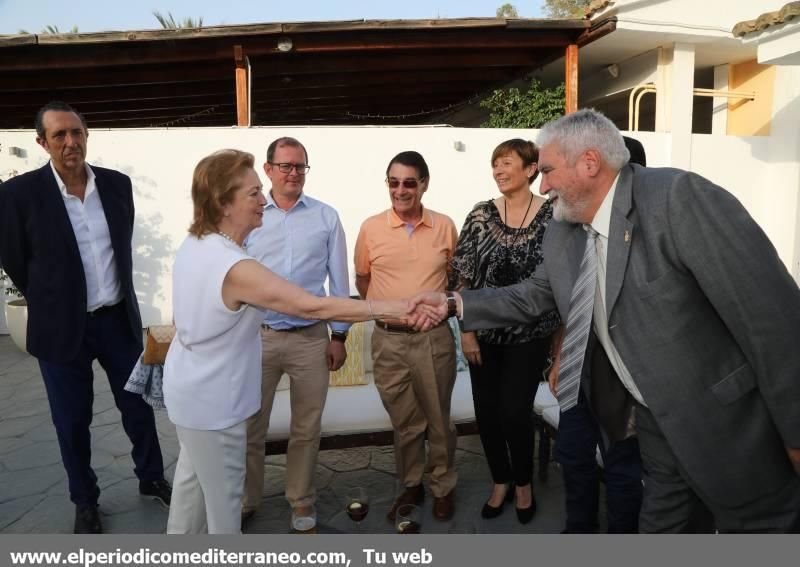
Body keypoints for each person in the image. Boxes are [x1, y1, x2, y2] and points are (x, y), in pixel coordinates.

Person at [412, 109, 800, 533]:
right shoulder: (564, 232)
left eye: (547, 171)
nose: (543, 186)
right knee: (663, 529)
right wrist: (452, 303)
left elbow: (773, 321)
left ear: (589, 163)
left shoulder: (677, 199)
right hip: (653, 425)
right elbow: (533, 295)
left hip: (728, 430)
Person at [163, 149, 409, 534]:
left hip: (191, 393)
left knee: (189, 491)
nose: (263, 199)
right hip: (214, 402)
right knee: (224, 510)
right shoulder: (233, 264)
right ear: (223, 203)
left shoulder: (196, 244)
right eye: (253, 193)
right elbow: (310, 305)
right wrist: (397, 306)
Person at [0, 101, 171, 534]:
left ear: (86, 135)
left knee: (137, 406)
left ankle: (151, 475)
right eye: (59, 135)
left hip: (117, 321)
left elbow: (121, 246)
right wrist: (52, 299)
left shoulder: (117, 186)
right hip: (61, 330)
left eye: (76, 132)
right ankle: (85, 499)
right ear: (42, 143)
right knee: (71, 419)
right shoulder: (19, 195)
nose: (70, 142)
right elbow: (15, 260)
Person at [243, 137, 351, 531]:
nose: (293, 173)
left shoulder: (326, 217)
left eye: (300, 166)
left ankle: (301, 501)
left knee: (306, 427)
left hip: (310, 340)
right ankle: (245, 499)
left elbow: (340, 281)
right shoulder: (251, 215)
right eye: (286, 166)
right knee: (250, 425)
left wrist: (339, 336)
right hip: (261, 337)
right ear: (268, 169)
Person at [449, 139, 560, 524]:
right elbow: (461, 275)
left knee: (514, 411)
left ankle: (524, 483)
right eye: (494, 163)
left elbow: (559, 281)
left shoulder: (553, 216)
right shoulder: (480, 215)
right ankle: (501, 481)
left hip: (530, 336)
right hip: (484, 335)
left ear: (531, 169)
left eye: (506, 162)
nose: (497, 170)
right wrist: (466, 331)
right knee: (488, 413)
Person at [544, 134, 648, 533]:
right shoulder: (572, 229)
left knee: (623, 468)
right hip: (577, 371)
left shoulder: (648, 234)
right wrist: (559, 359)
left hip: (621, 381)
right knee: (572, 456)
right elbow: (564, 302)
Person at [354, 150, 459, 522]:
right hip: (388, 341)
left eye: (409, 183)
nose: (400, 190)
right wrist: (387, 308)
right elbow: (363, 279)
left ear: (424, 184)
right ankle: (411, 483)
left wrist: (436, 308)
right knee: (405, 421)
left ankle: (443, 485)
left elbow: (455, 280)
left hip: (433, 339)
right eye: (394, 182)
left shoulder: (445, 226)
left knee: (438, 419)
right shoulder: (370, 228)